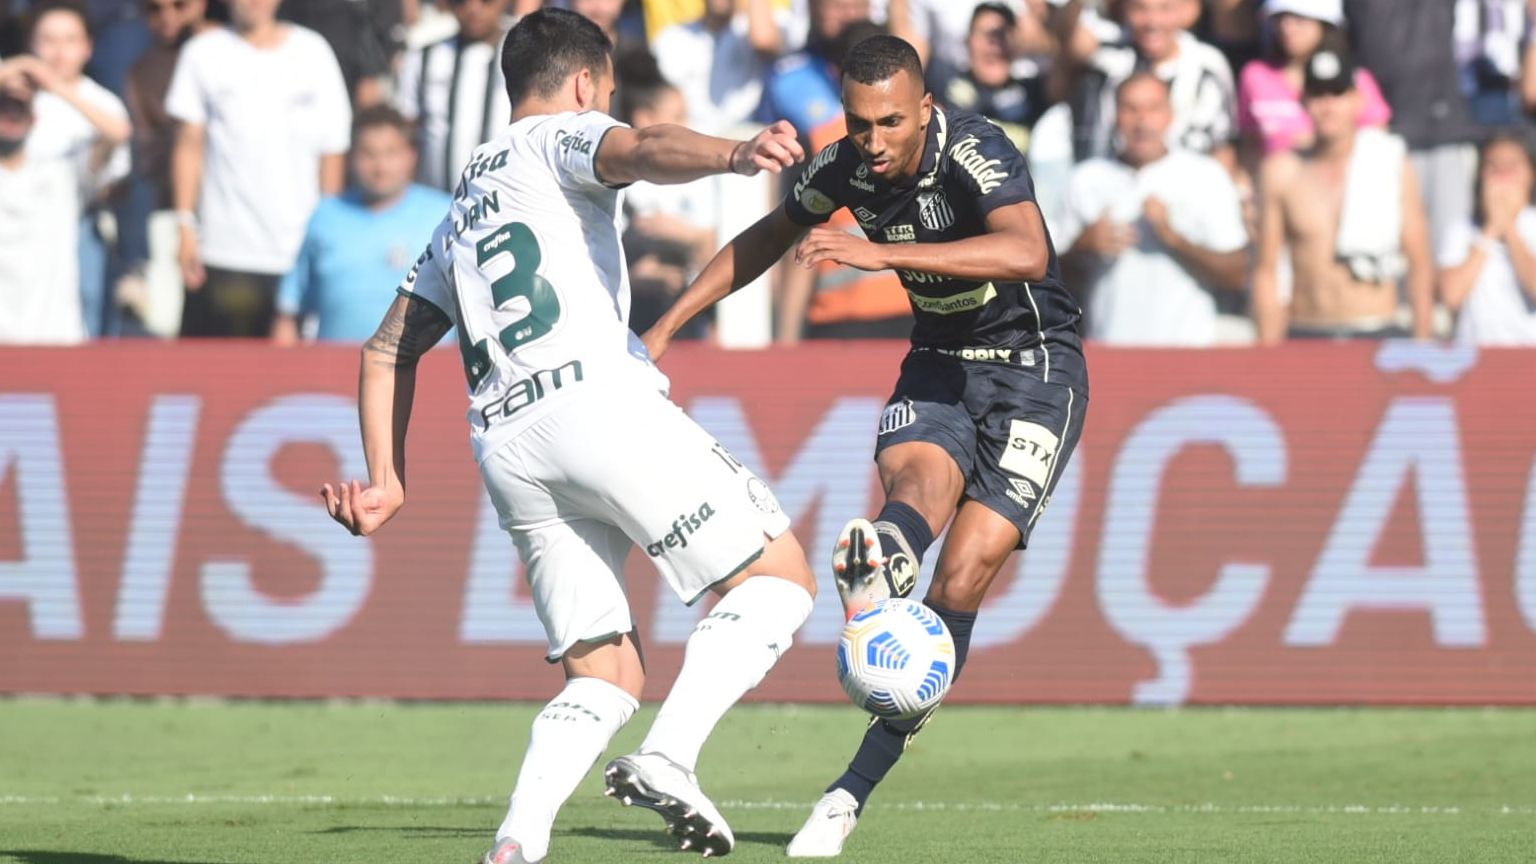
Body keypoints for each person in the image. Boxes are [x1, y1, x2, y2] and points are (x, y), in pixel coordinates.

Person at [317, 9, 815, 864]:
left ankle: (517, 842)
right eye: (607, 93)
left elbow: (385, 349)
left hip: (509, 448)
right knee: (778, 582)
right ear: (585, 85)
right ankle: (669, 756)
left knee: (606, 673)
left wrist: (386, 480)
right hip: (594, 404)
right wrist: (735, 154)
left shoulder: (459, 207)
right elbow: (643, 147)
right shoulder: (560, 137)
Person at [643, 34, 1087, 857]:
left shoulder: (978, 151)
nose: (873, 141)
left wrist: (880, 254)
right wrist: (667, 327)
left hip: (1035, 371)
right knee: (913, 492)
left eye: (890, 122)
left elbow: (1028, 251)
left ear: (925, 108)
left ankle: (848, 794)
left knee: (965, 575)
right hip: (940, 362)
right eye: (858, 123)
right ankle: (885, 561)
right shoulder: (844, 166)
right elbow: (767, 236)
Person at [168, 0, 352, 337]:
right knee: (215, 364)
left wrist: (327, 236)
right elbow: (189, 145)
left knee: (294, 367)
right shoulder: (201, 53)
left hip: (296, 251)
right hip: (222, 250)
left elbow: (332, 151)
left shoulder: (313, 51)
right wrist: (185, 226)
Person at [1252, 49, 1434, 342]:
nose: (1327, 106)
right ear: (1303, 102)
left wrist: (1423, 341)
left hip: (1376, 330)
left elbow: (1419, 261)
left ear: (1357, 101)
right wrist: (1267, 350)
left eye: (1337, 94)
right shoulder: (1281, 172)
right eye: (1317, 95)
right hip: (1308, 331)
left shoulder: (1388, 163)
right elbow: (1267, 270)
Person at [1059, 72, 1249, 345]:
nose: (1142, 120)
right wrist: (1083, 247)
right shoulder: (1086, 179)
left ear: (1170, 115)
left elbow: (1236, 274)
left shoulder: (1205, 176)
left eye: (1153, 108)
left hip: (1188, 351)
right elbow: (1051, 281)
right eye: (1131, 109)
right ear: (1115, 116)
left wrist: (1174, 238)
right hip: (1108, 349)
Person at [273, 106, 451, 343]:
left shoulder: (446, 215)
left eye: (391, 153)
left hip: (429, 366)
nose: (380, 167)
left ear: (411, 156)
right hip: (335, 365)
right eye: (369, 154)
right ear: (352, 158)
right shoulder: (326, 216)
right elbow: (289, 312)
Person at [23, 0, 132, 339]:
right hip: (17, 226)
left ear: (88, 47)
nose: (59, 52)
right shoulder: (14, 97)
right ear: (31, 45)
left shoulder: (103, 102)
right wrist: (20, 70)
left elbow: (118, 133)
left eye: (70, 40)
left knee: (84, 322)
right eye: (48, 40)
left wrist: (60, 90)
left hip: (79, 226)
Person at [0, 56, 98, 344]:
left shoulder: (61, 171)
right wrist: (8, 71)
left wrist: (53, 85)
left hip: (55, 336)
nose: (10, 118)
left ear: (34, 118)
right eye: (3, 108)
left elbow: (118, 132)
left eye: (19, 109)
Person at [1237, 0, 1390, 159]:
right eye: (1280, 18)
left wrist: (1314, 146)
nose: (1287, 28)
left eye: (1300, 19)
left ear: (1324, 23)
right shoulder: (1254, 76)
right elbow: (1248, 146)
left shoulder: (1355, 79)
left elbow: (1378, 145)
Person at [393, 0, 513, 192]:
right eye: (461, 0)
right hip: (437, 201)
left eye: (486, 0)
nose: (473, 8)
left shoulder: (529, 57)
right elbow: (406, 133)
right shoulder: (421, 58)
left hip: (507, 201)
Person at [1436, 132, 1536, 345]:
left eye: (1511, 166)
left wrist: (1509, 228)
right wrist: (1490, 230)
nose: (1502, 175)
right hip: (1476, 353)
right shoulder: (1462, 229)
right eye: (1493, 166)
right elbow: (1451, 297)